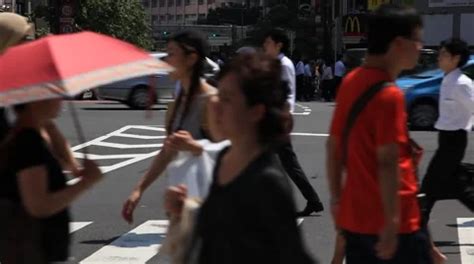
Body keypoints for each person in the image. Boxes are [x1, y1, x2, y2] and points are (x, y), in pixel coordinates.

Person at [165, 52, 315, 264]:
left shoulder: (266, 181)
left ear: (255, 112)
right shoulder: (224, 158)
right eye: (217, 94)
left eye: (226, 98)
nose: (214, 104)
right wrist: (185, 212)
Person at [327, 4, 433, 263]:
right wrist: (391, 221)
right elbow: (387, 161)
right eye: (417, 40)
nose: (420, 47)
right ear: (398, 43)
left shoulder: (352, 81)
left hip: (355, 219)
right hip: (396, 225)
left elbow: (333, 147)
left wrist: (336, 199)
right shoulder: (389, 95)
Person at [122, 30, 219, 224]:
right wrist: (139, 189)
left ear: (191, 58)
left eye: (172, 53)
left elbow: (235, 153)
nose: (166, 60)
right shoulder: (175, 106)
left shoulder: (213, 101)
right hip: (182, 203)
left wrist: (196, 147)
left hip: (213, 206)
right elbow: (167, 151)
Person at [0, 99, 103, 263]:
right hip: (30, 246)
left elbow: (51, 129)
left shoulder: (26, 134)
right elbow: (39, 205)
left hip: (29, 246)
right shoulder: (28, 143)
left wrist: (75, 167)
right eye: (52, 96)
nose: (60, 101)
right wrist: (85, 183)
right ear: (36, 102)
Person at [0, 12, 80, 175]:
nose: (30, 45)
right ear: (6, 43)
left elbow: (44, 123)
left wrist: (73, 166)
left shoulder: (20, 83)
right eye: (25, 39)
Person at [263, 29, 324, 216]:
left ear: (278, 44)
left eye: (268, 42)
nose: (265, 46)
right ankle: (312, 200)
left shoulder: (284, 64)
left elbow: (289, 94)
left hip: (278, 121)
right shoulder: (275, 63)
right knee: (283, 163)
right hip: (273, 119)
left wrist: (284, 119)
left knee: (277, 163)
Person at [420, 38, 474, 229]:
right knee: (457, 187)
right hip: (446, 140)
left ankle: (416, 229)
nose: (439, 58)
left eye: (444, 54)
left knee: (429, 186)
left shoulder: (462, 83)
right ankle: (417, 228)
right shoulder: (447, 79)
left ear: (456, 58)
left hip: (454, 141)